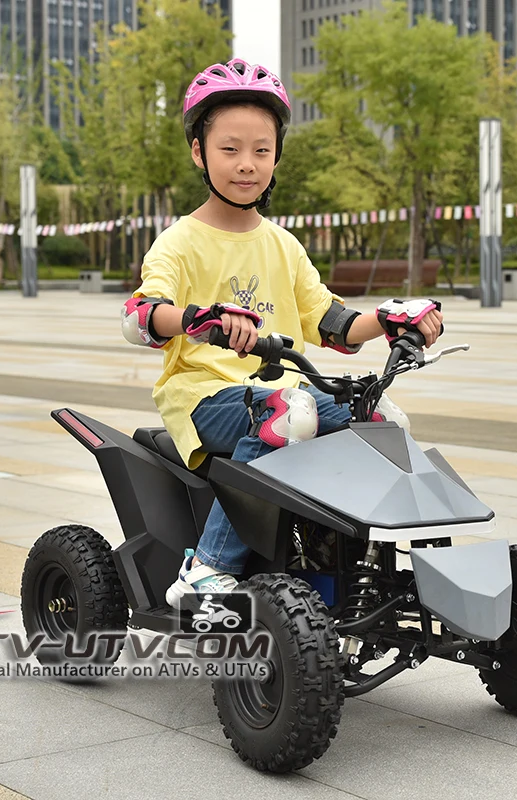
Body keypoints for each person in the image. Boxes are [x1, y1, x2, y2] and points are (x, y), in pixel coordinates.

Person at [120, 59, 444, 608]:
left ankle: (354, 559)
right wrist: (198, 319)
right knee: (291, 413)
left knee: (383, 417)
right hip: (204, 395)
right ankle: (206, 569)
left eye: (261, 150)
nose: (246, 165)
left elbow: (334, 326)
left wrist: (391, 320)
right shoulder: (179, 242)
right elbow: (138, 316)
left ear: (276, 156)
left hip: (280, 390)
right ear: (199, 152)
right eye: (230, 149)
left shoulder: (283, 245)